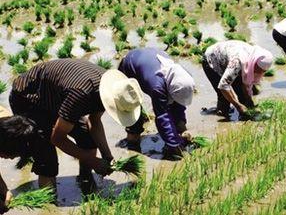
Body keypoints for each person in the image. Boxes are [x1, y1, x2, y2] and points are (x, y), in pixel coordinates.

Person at [8, 59, 143, 194]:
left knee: (87, 137)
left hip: (56, 98)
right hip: (29, 98)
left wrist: (107, 156)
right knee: (46, 157)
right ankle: (48, 203)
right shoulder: (81, 94)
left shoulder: (107, 90)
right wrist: (93, 160)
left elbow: (94, 123)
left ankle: (85, 178)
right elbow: (57, 138)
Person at [118, 48, 195, 160]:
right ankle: (132, 142)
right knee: (132, 104)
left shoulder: (183, 77)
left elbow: (179, 101)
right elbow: (162, 116)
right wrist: (174, 145)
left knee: (174, 108)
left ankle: (176, 130)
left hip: (151, 57)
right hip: (130, 64)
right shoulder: (157, 87)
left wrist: (181, 126)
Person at [202, 40, 273, 120]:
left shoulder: (254, 56)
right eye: (258, 69)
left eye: (263, 71)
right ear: (254, 63)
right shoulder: (238, 61)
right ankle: (222, 112)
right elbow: (223, 85)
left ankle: (245, 114)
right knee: (224, 97)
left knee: (242, 93)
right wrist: (237, 106)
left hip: (229, 57)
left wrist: (248, 99)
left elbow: (245, 82)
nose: (259, 73)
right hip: (211, 60)